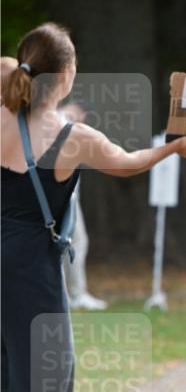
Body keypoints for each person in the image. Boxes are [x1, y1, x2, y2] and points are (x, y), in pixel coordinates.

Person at [1, 23, 186, 392]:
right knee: (45, 383)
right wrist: (176, 148)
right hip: (29, 267)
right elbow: (127, 163)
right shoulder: (74, 138)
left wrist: (21, 69)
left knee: (8, 378)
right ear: (69, 75)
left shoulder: (4, 117)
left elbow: (9, 69)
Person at [59, 102, 108, 310]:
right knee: (71, 243)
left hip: (67, 197)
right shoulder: (61, 120)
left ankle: (73, 293)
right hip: (61, 198)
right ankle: (73, 293)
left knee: (75, 242)